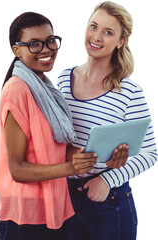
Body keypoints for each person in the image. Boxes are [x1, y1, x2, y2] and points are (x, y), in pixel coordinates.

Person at [0, 12, 101, 240]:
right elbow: (18, 169)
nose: (46, 49)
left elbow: (51, 149)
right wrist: (72, 168)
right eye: (34, 44)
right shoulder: (18, 89)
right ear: (17, 50)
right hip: (25, 215)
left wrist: (90, 155)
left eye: (50, 41)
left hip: (53, 207)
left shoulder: (45, 88)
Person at [58, 1, 158, 240]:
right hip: (66, 199)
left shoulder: (128, 91)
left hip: (108, 202)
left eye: (108, 32)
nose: (97, 37)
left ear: (120, 42)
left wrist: (106, 180)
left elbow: (151, 153)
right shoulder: (63, 78)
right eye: (93, 26)